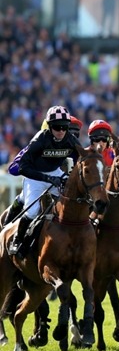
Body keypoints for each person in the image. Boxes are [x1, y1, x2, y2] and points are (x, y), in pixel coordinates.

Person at [5, 106, 80, 256]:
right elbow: (22, 168)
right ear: (49, 127)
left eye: (65, 127)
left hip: (55, 173)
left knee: (75, 199)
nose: (61, 131)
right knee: (32, 211)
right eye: (57, 127)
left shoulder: (71, 140)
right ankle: (17, 240)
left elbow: (80, 160)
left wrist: (70, 177)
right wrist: (48, 178)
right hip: (35, 176)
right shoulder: (40, 140)